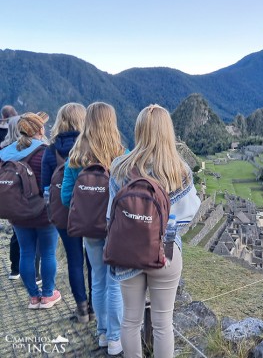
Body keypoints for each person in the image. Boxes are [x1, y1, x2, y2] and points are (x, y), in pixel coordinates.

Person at [108, 104, 201, 358]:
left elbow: (110, 217)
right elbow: (189, 213)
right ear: (167, 132)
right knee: (163, 324)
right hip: (165, 253)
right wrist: (165, 232)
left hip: (128, 253)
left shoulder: (119, 168)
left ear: (139, 130)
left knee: (130, 321)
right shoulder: (179, 171)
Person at [61, 102, 125, 355]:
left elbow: (66, 197)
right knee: (115, 281)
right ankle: (115, 339)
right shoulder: (121, 155)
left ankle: (101, 333)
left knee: (97, 279)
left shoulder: (75, 157)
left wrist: (87, 208)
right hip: (115, 228)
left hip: (90, 230)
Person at [0, 112, 61, 309]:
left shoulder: (5, 153)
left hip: (18, 212)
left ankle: (34, 297)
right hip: (44, 211)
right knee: (48, 253)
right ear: (41, 130)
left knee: (26, 252)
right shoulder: (47, 152)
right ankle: (48, 295)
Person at [41, 102, 94, 323]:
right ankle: (95, 307)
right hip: (91, 212)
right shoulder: (91, 147)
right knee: (92, 259)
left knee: (74, 260)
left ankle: (81, 311)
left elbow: (44, 186)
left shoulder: (51, 150)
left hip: (64, 213)